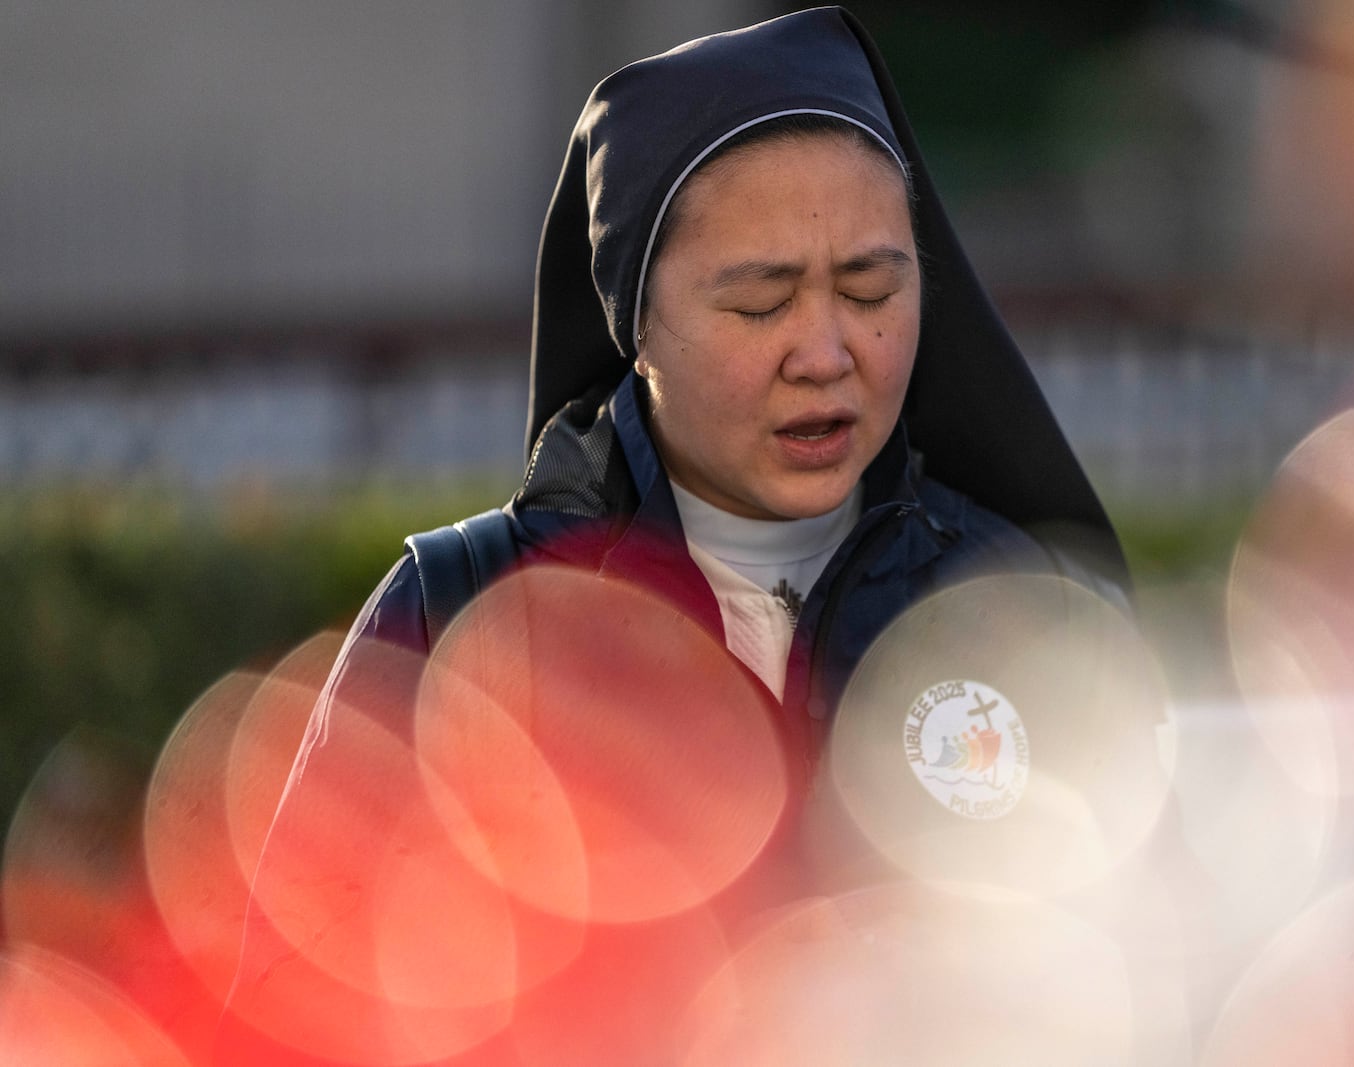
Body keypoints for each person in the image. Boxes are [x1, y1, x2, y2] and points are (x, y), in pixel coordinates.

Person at [221, 8, 1129, 1063]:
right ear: (634, 322)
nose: (828, 351)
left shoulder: (1025, 612)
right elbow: (283, 1019)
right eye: (759, 304)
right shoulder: (461, 617)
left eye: (872, 288)